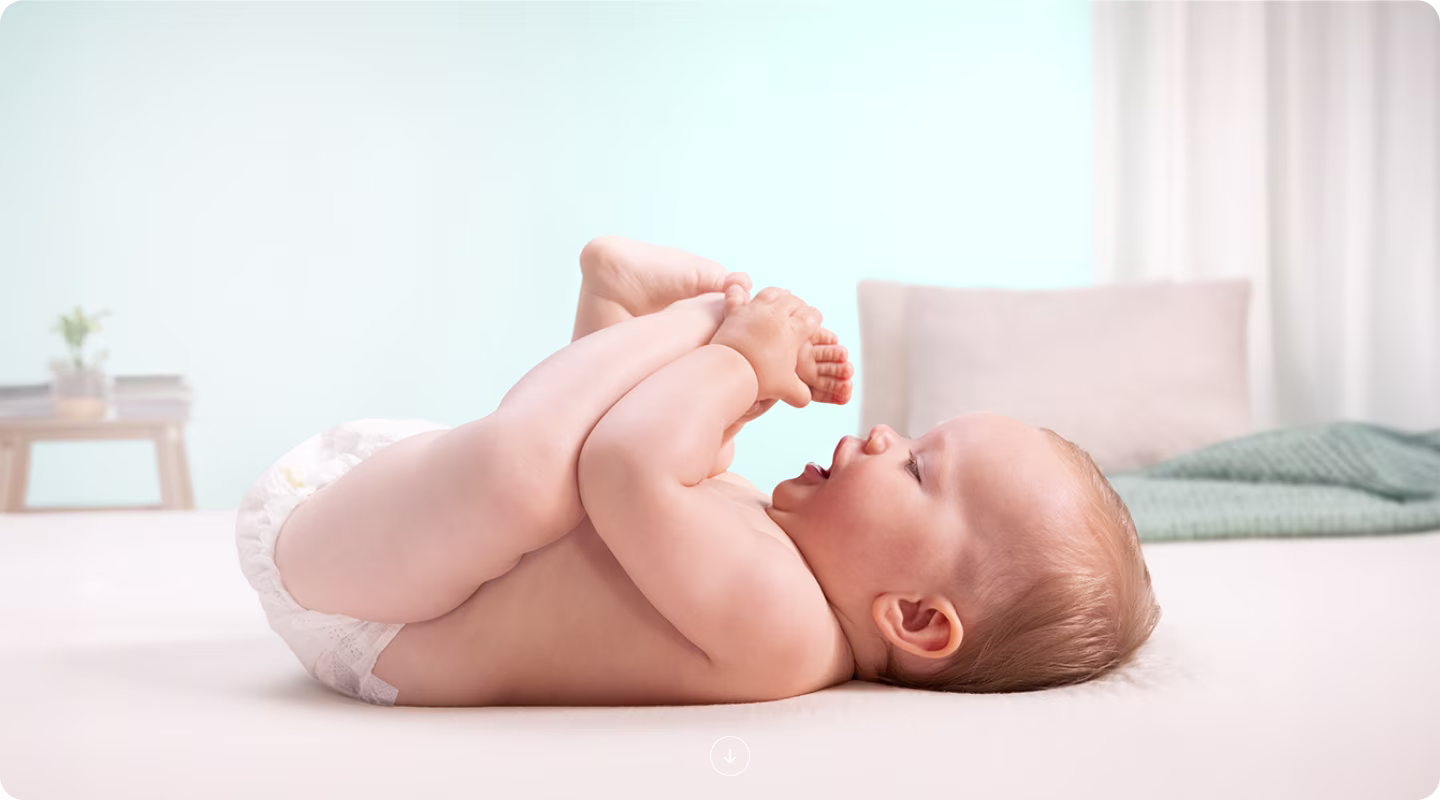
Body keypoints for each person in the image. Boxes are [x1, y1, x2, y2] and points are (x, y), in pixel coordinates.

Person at [235, 236, 1161, 707]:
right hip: (401, 537)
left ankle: (659, 317)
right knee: (566, 479)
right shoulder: (781, 557)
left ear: (915, 619)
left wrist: (736, 358)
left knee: (532, 476)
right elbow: (628, 468)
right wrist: (731, 405)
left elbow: (623, 465)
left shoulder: (791, 634)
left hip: (367, 613)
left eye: (918, 471)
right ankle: (626, 310)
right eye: (912, 435)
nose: (882, 436)